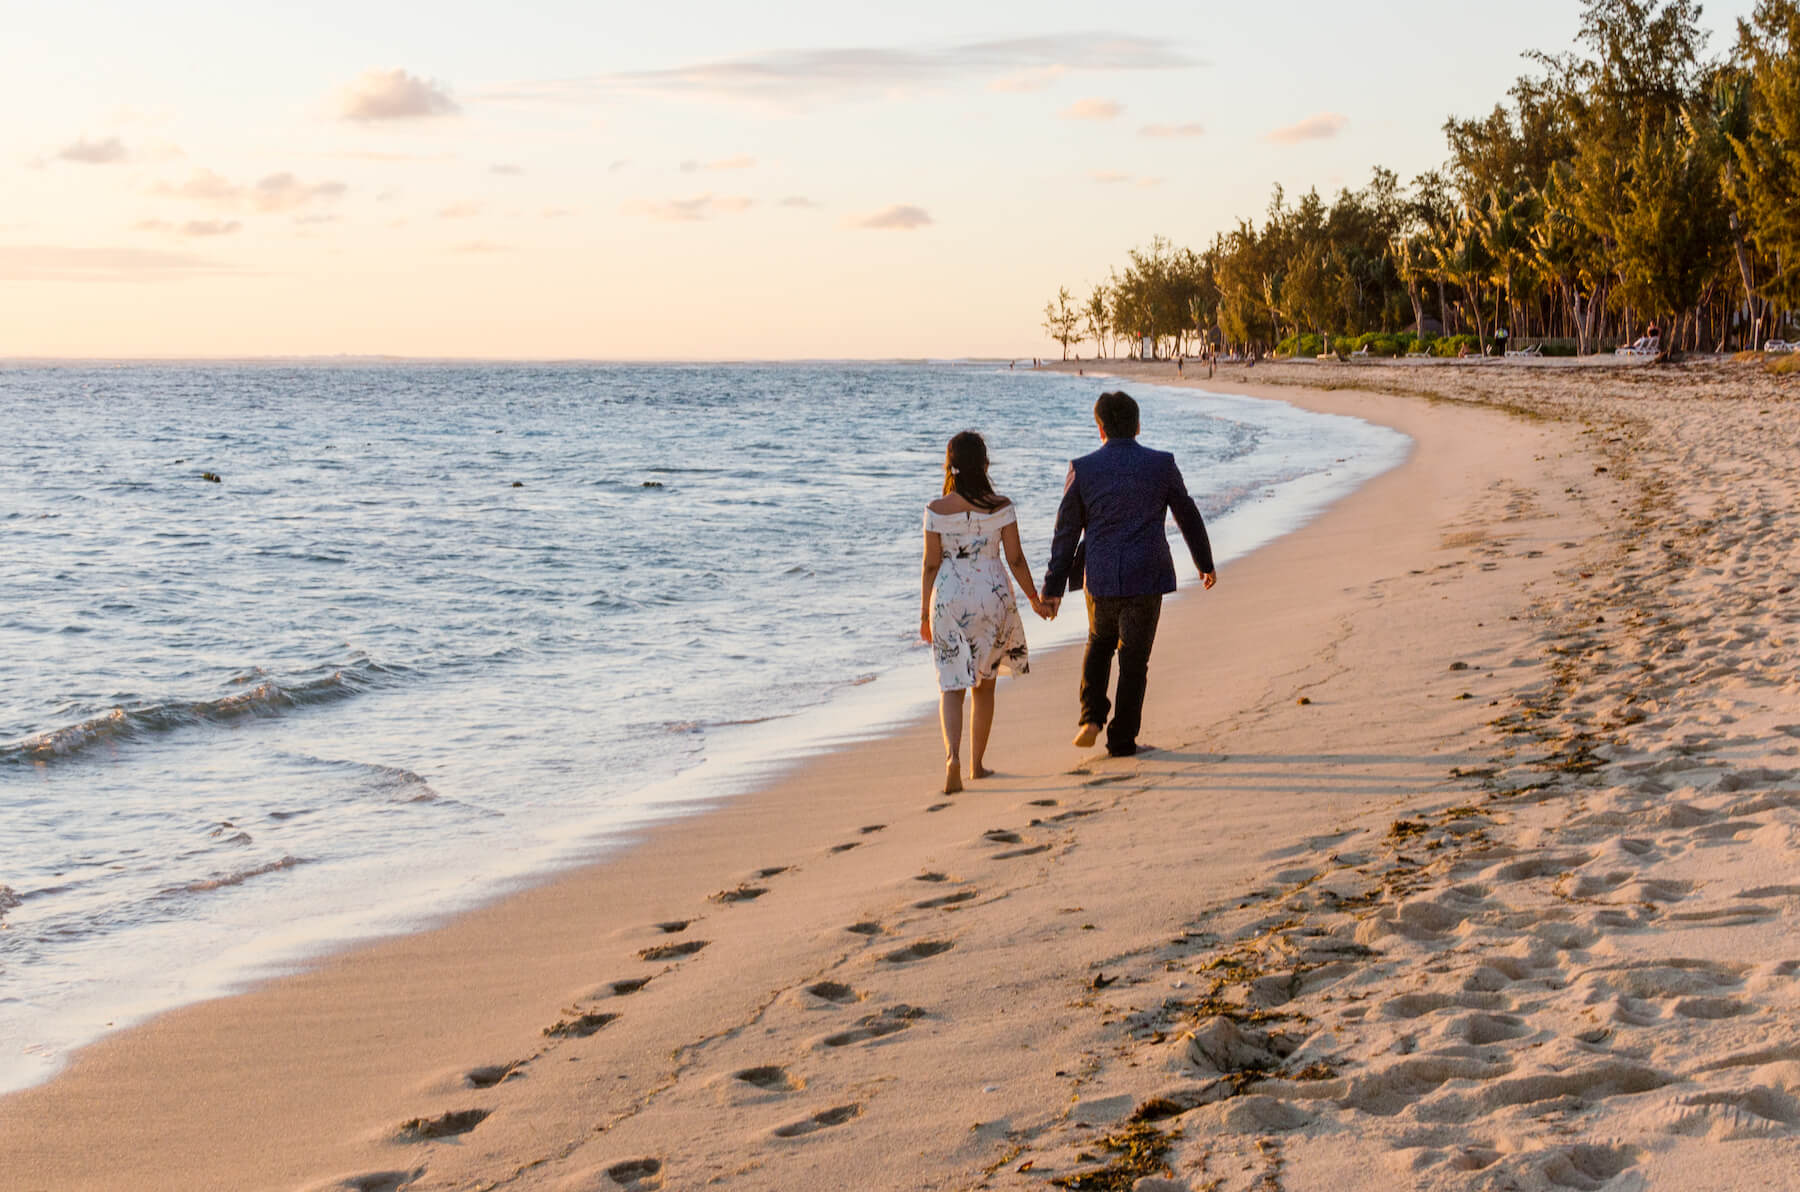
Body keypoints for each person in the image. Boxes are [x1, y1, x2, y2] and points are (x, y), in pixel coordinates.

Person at [1040, 392, 1216, 757]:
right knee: (1134, 659)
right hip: (1146, 574)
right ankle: (1122, 739)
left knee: (1099, 641)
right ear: (1137, 426)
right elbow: (1188, 514)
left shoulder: (1083, 468)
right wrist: (1205, 563)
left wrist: (1053, 588)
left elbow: (1066, 533)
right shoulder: (1161, 464)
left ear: (1099, 428)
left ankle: (1090, 716)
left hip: (1101, 576)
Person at [920, 431, 1052, 793]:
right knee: (985, 685)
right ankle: (977, 766)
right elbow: (1016, 558)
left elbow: (931, 565)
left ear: (950, 466)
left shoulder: (935, 510)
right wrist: (1036, 599)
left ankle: (953, 758)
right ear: (985, 464)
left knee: (951, 684)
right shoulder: (1001, 506)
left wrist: (922, 615)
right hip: (991, 598)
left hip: (948, 598)